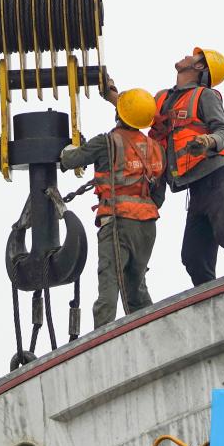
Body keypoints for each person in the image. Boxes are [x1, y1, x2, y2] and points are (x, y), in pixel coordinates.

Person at [149, 47, 224, 286]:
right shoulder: (162, 99)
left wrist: (208, 141)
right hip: (197, 188)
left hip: (218, 177)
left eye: (194, 56)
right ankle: (214, 305)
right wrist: (113, 97)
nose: (186, 56)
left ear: (199, 67)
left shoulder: (205, 96)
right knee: (193, 256)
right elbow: (137, 113)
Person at [60, 81, 164, 328]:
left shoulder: (105, 142)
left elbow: (69, 160)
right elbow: (159, 194)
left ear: (120, 114)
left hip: (117, 222)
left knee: (109, 284)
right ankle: (149, 332)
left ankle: (102, 339)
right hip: (147, 225)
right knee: (136, 288)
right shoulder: (155, 148)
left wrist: (69, 148)